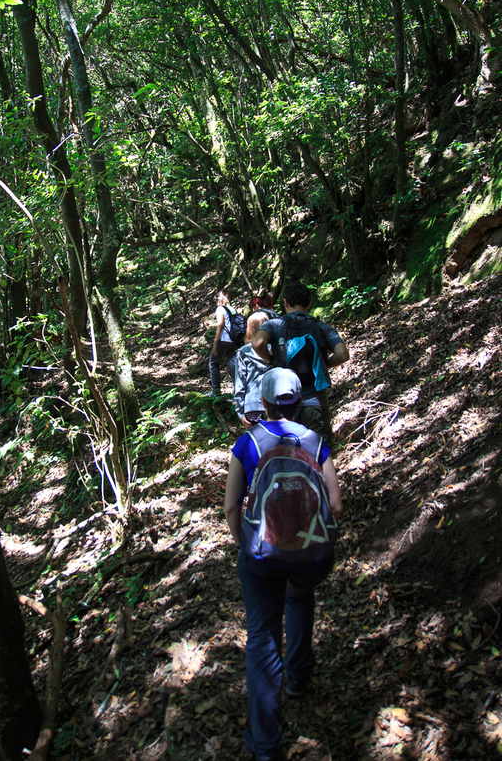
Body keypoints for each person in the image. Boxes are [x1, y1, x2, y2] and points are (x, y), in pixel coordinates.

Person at [224, 369, 342, 761]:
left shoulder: (248, 442)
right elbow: (336, 504)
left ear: (266, 402)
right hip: (310, 554)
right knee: (300, 595)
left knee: (261, 638)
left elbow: (230, 507)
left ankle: (267, 745)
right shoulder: (315, 441)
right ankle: (299, 676)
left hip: (261, 555)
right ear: (296, 400)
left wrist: (244, 545)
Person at [251, 282, 349, 444]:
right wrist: (323, 364)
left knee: (287, 454)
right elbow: (343, 354)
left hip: (283, 404)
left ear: (285, 303)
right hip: (315, 401)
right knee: (320, 453)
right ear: (309, 304)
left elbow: (257, 343)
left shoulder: (274, 325)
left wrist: (270, 360)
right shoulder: (322, 327)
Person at [234, 311, 270, 428]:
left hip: (253, 406)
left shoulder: (243, 352)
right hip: (275, 403)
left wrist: (240, 412)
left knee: (257, 444)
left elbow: (240, 383)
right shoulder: (276, 350)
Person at [208, 290, 238, 396]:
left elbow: (220, 325)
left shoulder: (220, 309)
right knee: (233, 366)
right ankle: (238, 392)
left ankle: (216, 392)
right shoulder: (232, 309)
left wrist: (215, 343)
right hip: (235, 341)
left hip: (224, 340)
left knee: (213, 363)